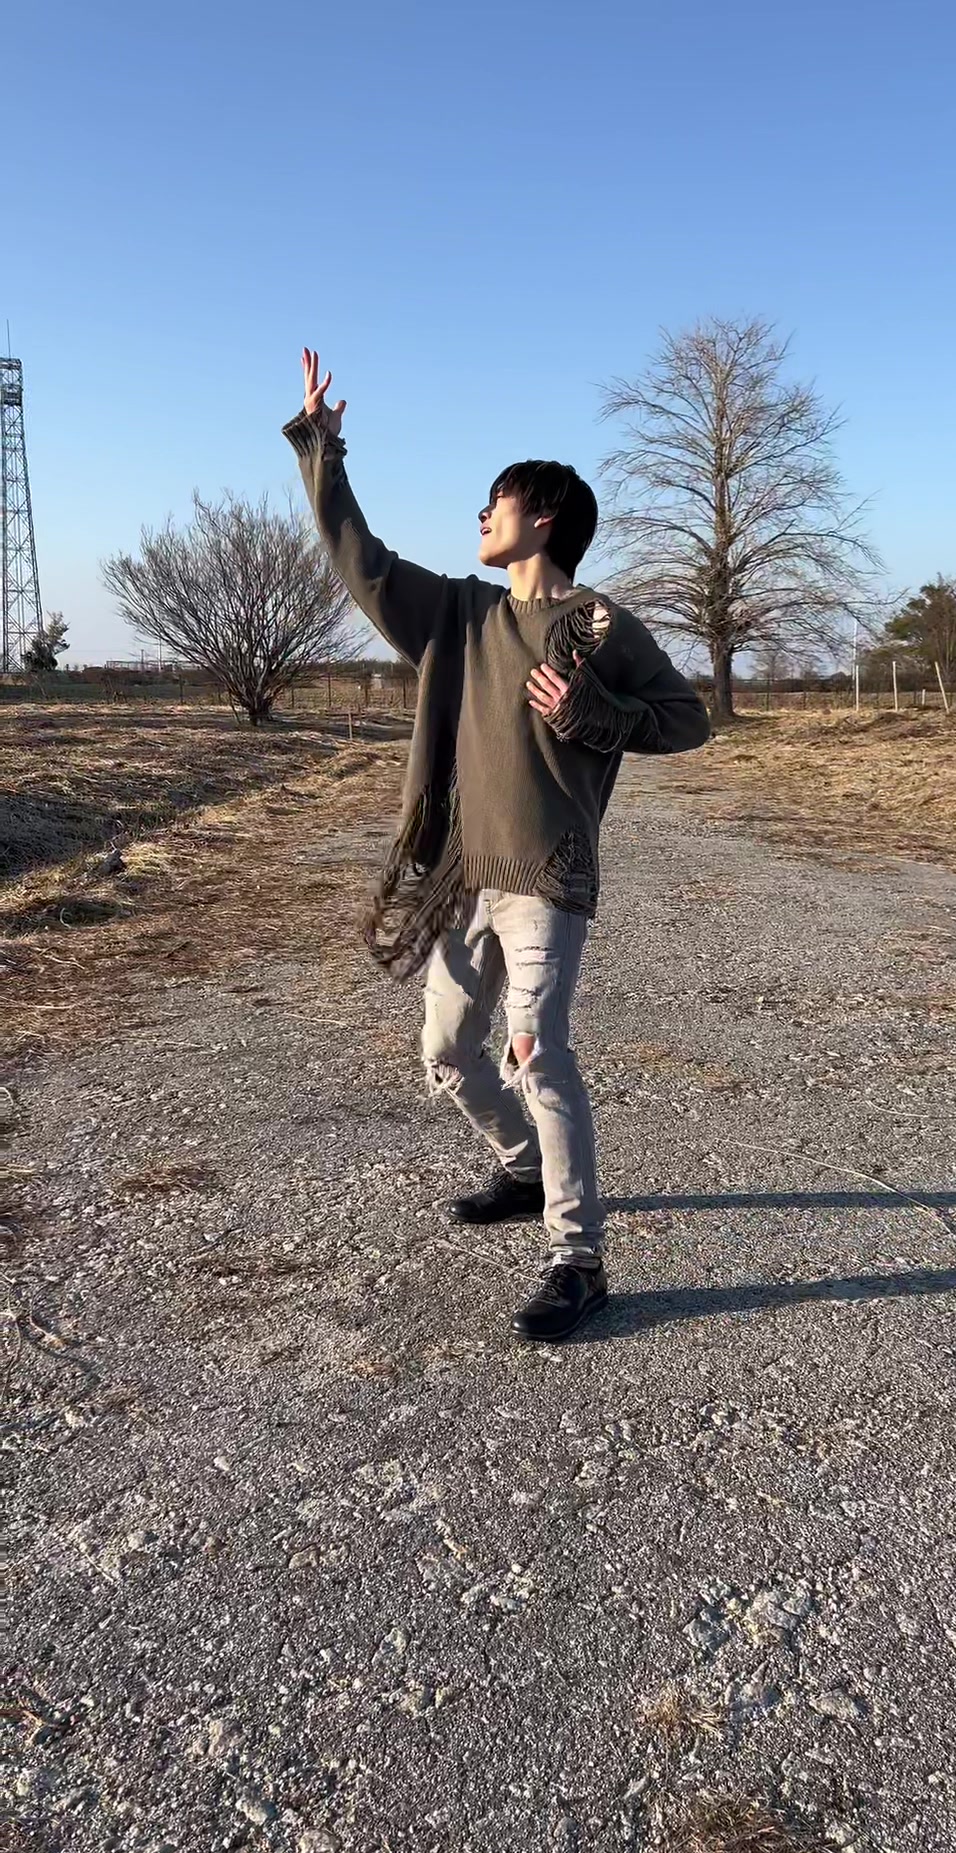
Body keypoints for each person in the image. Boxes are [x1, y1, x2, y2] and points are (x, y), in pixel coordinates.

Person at [283, 349, 710, 1341]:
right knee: (445, 1052)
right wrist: (322, 450)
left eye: (496, 501)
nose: (481, 514)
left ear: (544, 518)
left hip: (547, 879)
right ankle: (523, 1170)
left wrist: (597, 714)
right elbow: (361, 561)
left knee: (535, 1052)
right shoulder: (458, 615)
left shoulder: (598, 624)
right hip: (461, 875)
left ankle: (578, 1259)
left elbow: (685, 719)